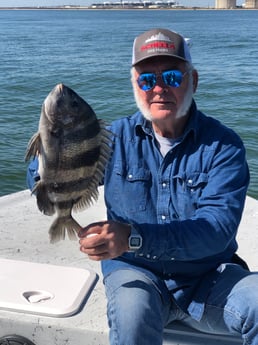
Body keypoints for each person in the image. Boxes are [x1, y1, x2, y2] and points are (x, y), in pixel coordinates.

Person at [28, 28, 258, 345]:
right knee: (131, 316)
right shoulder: (113, 137)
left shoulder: (223, 146)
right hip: (134, 273)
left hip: (210, 278)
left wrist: (133, 238)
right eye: (147, 79)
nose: (159, 88)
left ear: (194, 81)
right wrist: (47, 158)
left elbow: (216, 229)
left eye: (173, 77)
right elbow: (51, 178)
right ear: (135, 85)